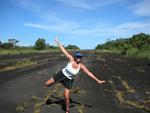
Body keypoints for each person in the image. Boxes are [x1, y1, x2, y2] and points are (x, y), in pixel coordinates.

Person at [45, 38, 106, 113]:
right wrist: (58, 42)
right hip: (61, 74)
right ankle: (56, 84)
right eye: (77, 56)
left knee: (66, 97)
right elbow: (64, 51)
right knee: (47, 84)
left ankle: (67, 110)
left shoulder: (81, 66)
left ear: (81, 58)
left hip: (68, 80)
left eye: (80, 57)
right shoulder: (71, 59)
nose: (78, 58)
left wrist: (98, 80)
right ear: (75, 57)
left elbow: (89, 73)